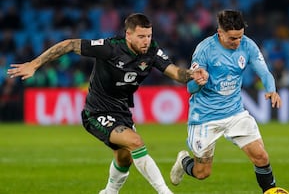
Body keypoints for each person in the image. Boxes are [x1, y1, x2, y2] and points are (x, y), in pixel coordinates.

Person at [7, 13, 208, 194]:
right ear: (128, 35)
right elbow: (69, 44)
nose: (146, 41)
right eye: (141, 36)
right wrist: (34, 64)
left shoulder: (152, 51)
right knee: (136, 142)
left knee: (124, 158)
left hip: (121, 111)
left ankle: (109, 192)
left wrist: (191, 74)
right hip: (95, 112)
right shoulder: (110, 48)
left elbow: (176, 73)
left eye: (148, 36)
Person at [169, 10, 289, 193]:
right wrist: (199, 82)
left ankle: (270, 191)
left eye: (240, 37)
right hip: (205, 116)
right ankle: (183, 161)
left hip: (235, 112)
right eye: (232, 38)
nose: (237, 42)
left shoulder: (247, 45)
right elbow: (190, 89)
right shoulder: (204, 50)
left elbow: (264, 72)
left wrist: (271, 89)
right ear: (220, 32)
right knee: (202, 173)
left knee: (261, 156)